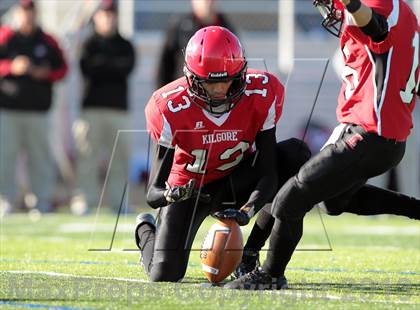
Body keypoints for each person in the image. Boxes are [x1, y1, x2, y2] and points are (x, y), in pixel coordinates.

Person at [226, 0, 420, 290]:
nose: (330, 9)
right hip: (374, 133)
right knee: (335, 200)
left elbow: (377, 28)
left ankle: (270, 274)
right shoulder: (405, 14)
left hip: (370, 134)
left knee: (292, 197)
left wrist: (353, 4)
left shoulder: (380, 8)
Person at [134, 26, 311, 283]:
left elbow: (268, 172)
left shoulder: (261, 92)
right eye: (210, 82)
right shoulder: (169, 107)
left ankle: (250, 254)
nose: (219, 89)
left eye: (226, 80)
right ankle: (144, 230)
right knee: (164, 274)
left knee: (295, 154)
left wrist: (249, 209)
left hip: (236, 179)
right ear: (192, 78)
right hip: (191, 189)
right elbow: (153, 193)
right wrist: (173, 194)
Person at [0, 0, 68, 213]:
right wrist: (12, 67)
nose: (27, 15)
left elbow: (63, 69)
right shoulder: (6, 37)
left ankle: (41, 201)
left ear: (36, 13)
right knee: (6, 158)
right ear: (17, 13)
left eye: (30, 11)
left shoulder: (48, 40)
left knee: (40, 159)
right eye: (23, 11)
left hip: (39, 112)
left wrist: (45, 73)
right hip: (9, 111)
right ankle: (6, 200)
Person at [71, 0, 136, 214]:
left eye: (111, 14)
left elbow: (125, 68)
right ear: (96, 16)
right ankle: (85, 200)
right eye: (104, 14)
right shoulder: (89, 44)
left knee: (119, 158)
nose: (108, 18)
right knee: (87, 156)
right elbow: (87, 68)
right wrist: (109, 66)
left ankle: (120, 202)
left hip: (118, 109)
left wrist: (103, 65)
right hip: (91, 109)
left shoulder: (125, 44)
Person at [156, 0, 237, 88]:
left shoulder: (226, 26)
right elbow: (165, 62)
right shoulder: (180, 25)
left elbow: (236, 59)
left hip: (218, 89)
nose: (208, 3)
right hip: (186, 87)